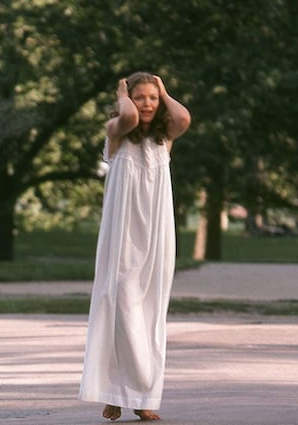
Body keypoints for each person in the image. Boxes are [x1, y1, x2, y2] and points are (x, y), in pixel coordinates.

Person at [78, 72, 191, 421]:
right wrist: (121, 92)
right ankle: (114, 390)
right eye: (140, 97)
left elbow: (183, 117)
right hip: (123, 237)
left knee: (151, 310)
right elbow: (127, 116)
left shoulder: (164, 139)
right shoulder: (116, 134)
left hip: (155, 236)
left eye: (153, 99)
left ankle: (142, 395)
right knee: (120, 307)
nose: (146, 104)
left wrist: (164, 90)